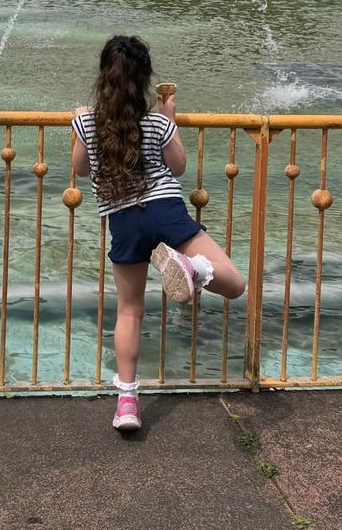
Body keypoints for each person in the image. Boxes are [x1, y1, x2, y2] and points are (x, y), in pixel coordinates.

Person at [71, 35, 245, 432]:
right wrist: (169, 117)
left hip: (123, 220)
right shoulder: (157, 122)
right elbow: (179, 166)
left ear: (103, 77)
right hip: (166, 210)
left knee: (129, 312)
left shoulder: (86, 121)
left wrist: (81, 123)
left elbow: (81, 169)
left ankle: (127, 404)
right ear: (145, 79)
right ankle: (193, 269)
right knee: (234, 283)